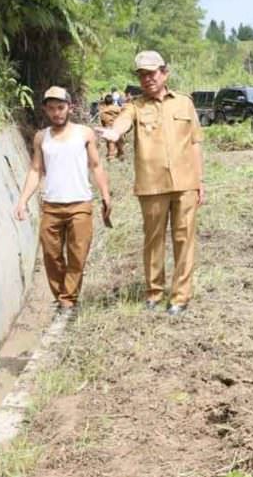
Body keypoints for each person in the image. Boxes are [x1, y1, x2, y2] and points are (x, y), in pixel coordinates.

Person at [97, 51, 206, 316]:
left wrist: (199, 181)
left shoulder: (184, 103)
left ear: (164, 73)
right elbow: (123, 121)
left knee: (184, 239)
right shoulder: (135, 106)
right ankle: (154, 292)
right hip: (152, 184)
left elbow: (195, 143)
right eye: (142, 75)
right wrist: (114, 132)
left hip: (185, 184)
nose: (147, 79)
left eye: (152, 73)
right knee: (153, 240)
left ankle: (180, 296)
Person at [14, 86, 112, 314]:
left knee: (78, 254)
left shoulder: (84, 133)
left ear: (70, 107)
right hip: (52, 206)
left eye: (61, 107)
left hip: (80, 204)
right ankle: (61, 296)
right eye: (51, 109)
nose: (57, 113)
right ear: (46, 111)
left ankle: (68, 300)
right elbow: (36, 170)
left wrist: (106, 195)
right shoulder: (41, 137)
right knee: (51, 255)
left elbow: (96, 166)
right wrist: (22, 201)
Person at [98, 94, 123, 160]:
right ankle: (121, 154)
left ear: (105, 102)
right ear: (112, 101)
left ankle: (111, 156)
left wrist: (104, 127)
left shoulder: (103, 111)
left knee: (111, 142)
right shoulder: (118, 108)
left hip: (109, 127)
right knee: (119, 141)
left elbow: (102, 120)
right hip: (118, 126)